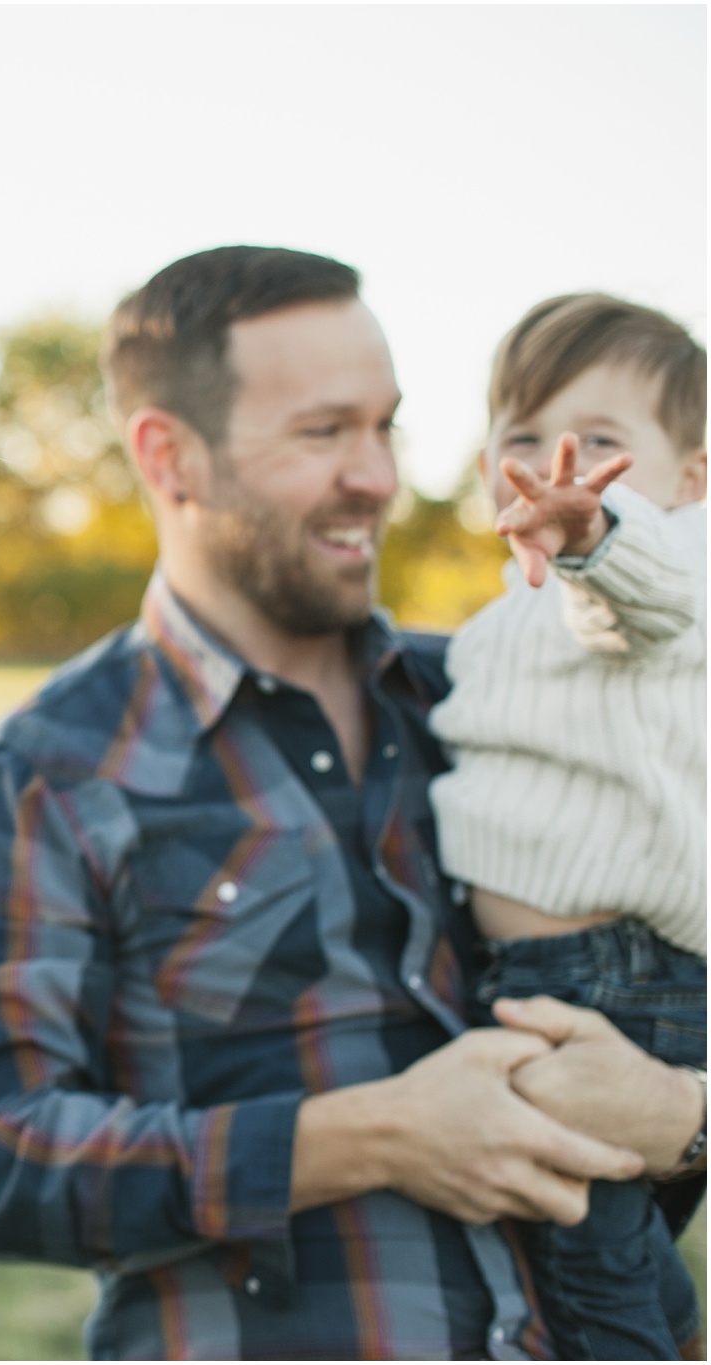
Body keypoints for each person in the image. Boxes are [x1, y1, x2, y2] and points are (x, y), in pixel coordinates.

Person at [0, 246, 708, 1358]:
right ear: (170, 456)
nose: (379, 476)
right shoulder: (53, 769)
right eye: (322, 433)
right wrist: (369, 1137)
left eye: (383, 427)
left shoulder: (501, 701)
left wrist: (679, 1119)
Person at [429, 294, 707, 1358]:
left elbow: (638, 592)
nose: (555, 463)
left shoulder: (658, 566)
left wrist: (595, 531)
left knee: (580, 1283)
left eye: (598, 443)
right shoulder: (516, 606)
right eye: (520, 434)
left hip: (601, 980)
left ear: (689, 477)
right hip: (583, 973)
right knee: (617, 1261)